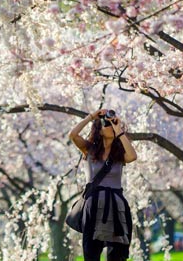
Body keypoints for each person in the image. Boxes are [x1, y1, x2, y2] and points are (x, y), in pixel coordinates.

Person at [69, 109, 139, 261]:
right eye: (108, 125)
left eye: (113, 124)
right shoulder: (88, 150)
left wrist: (118, 130)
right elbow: (72, 135)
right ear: (99, 130)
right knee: (92, 252)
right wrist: (92, 116)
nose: (111, 127)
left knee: (117, 254)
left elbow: (133, 156)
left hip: (116, 205)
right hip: (93, 205)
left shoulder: (119, 154)